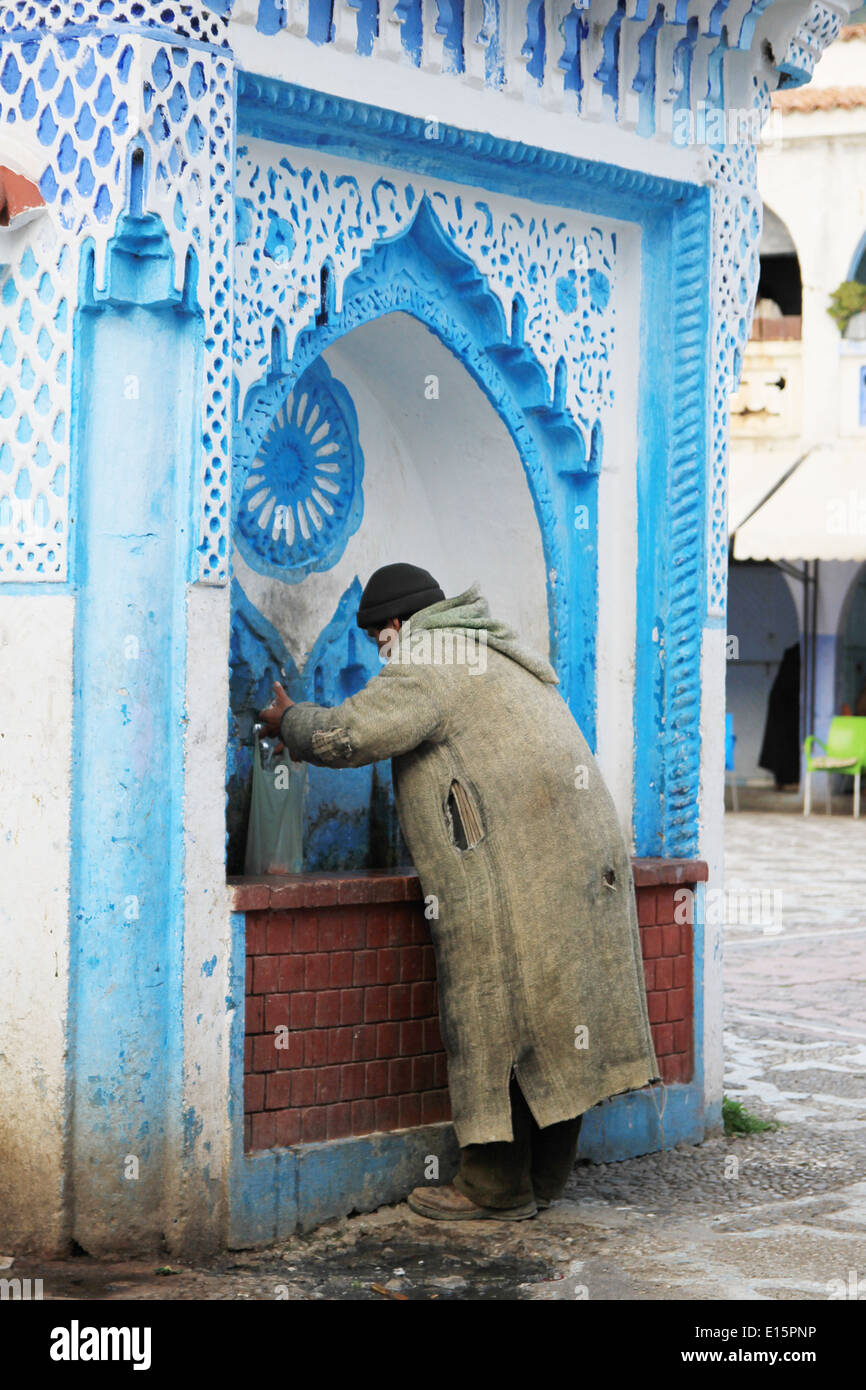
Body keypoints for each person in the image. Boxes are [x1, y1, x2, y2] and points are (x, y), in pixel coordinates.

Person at [259, 563, 660, 1221]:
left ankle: (493, 1187)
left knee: (492, 1012)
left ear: (394, 626)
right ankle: (545, 1179)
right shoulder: (494, 653)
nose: (381, 653)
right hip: (580, 867)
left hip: (517, 879)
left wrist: (290, 721)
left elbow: (352, 733)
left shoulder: (426, 660)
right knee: (560, 1021)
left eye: (378, 640)